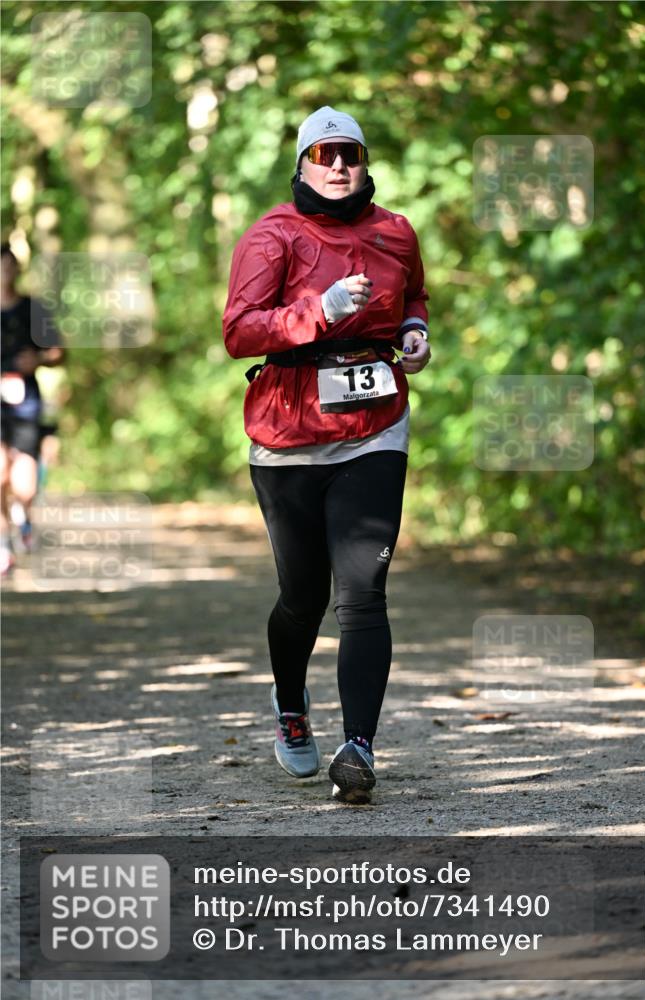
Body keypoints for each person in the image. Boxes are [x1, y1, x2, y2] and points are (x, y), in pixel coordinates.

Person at [222, 107, 430, 803]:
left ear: (365, 162)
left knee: (363, 592)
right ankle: (290, 706)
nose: (338, 166)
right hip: (286, 436)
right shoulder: (272, 235)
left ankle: (359, 748)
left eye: (350, 154)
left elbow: (416, 299)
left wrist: (412, 332)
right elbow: (239, 333)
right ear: (303, 163)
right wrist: (322, 307)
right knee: (302, 598)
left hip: (375, 425)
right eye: (324, 154)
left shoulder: (395, 231)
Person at [1, 243, 65, 574]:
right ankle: (2, 546)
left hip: (25, 405)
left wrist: (36, 359)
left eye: (10, 267)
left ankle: (23, 518)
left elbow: (59, 351)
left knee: (24, 485)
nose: (5, 273)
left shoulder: (32, 309)